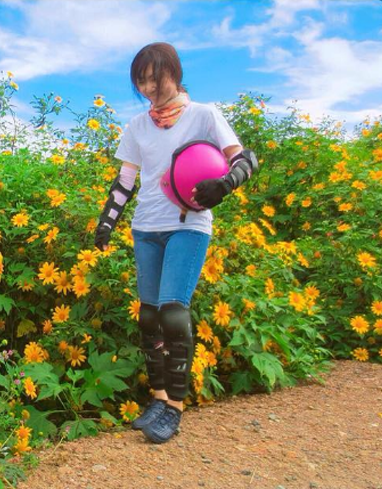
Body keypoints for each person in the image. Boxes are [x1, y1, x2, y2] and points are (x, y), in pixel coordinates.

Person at [93, 42, 259, 444]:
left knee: (172, 311)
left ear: (172, 72)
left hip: (189, 224)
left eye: (154, 78)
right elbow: (126, 180)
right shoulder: (137, 126)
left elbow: (245, 160)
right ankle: (158, 396)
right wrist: (107, 221)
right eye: (141, 83)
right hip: (146, 227)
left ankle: (175, 409)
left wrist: (225, 184)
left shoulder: (204, 115)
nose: (149, 88)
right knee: (149, 316)